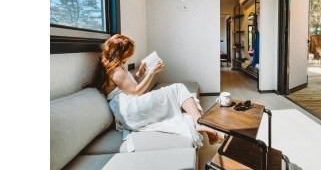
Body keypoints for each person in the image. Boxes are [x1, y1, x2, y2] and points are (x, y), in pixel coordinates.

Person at [88, 34, 223, 147]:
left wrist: (139, 74)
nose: (128, 57)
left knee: (181, 97)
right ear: (119, 52)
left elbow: (126, 87)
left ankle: (201, 123)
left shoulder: (113, 68)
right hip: (129, 110)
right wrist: (152, 72)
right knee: (178, 89)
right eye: (127, 54)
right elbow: (135, 92)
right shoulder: (116, 71)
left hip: (128, 109)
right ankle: (199, 123)